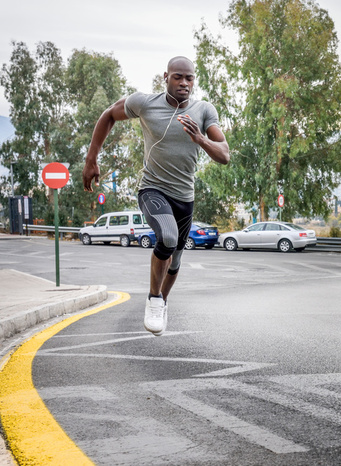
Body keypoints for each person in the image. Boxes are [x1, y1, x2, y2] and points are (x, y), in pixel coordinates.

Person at [82, 56, 230, 336]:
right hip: (153, 189)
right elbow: (109, 115)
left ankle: (162, 302)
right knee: (169, 237)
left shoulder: (203, 111)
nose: (184, 83)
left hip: (185, 196)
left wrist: (201, 139)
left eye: (189, 78)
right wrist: (91, 159)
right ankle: (153, 298)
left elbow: (224, 154)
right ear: (165, 77)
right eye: (178, 77)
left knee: (175, 259)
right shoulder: (145, 103)